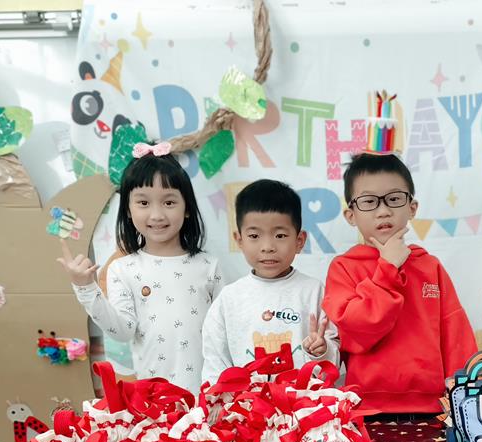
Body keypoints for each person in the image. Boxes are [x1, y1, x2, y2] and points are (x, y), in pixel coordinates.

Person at [323, 152, 478, 414]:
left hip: (433, 407)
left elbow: (455, 335)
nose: (383, 211)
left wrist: (463, 395)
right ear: (351, 215)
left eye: (394, 199)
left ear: (412, 208)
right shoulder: (344, 268)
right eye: (369, 202)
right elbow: (358, 331)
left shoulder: (430, 266)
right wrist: (388, 267)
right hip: (366, 408)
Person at [58, 143, 221, 391]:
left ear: (187, 208)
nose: (156, 215)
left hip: (208, 395)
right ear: (128, 209)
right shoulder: (123, 269)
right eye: (143, 203)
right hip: (154, 399)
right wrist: (85, 288)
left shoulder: (208, 266)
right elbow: (121, 331)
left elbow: (224, 332)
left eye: (169, 202)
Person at [201, 179, 338, 384]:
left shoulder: (314, 291)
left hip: (303, 400)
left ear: (299, 241)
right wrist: (219, 396)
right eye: (254, 235)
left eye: (280, 235)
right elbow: (215, 361)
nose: (267, 246)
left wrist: (322, 351)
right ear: (239, 240)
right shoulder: (229, 298)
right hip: (247, 402)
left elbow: (333, 363)